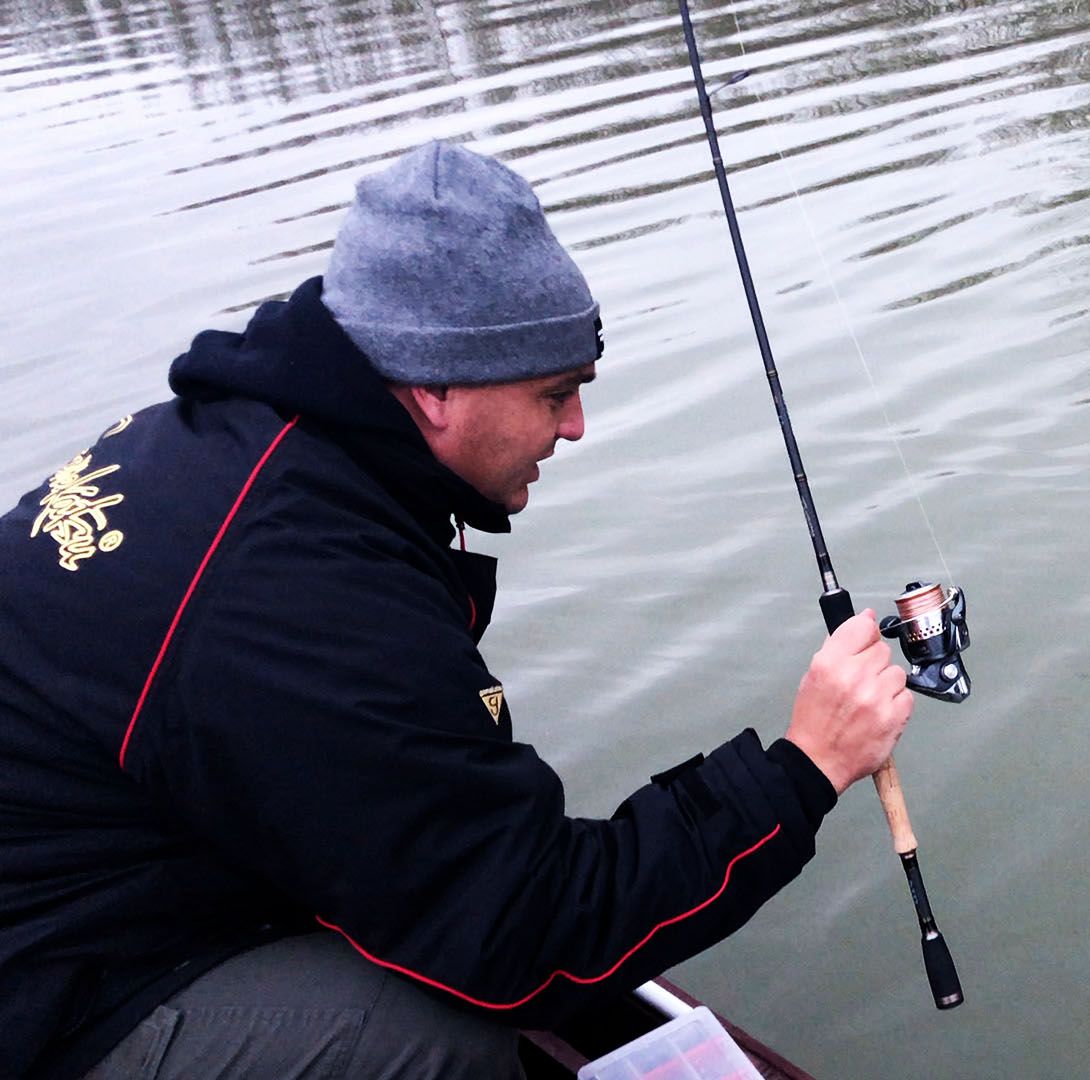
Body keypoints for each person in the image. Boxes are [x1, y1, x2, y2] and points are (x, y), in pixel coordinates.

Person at [0, 141, 913, 1080]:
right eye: (552, 394)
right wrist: (806, 770)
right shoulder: (302, 589)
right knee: (438, 1037)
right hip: (43, 995)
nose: (575, 428)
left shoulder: (255, 451)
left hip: (102, 891)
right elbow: (531, 930)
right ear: (433, 387)